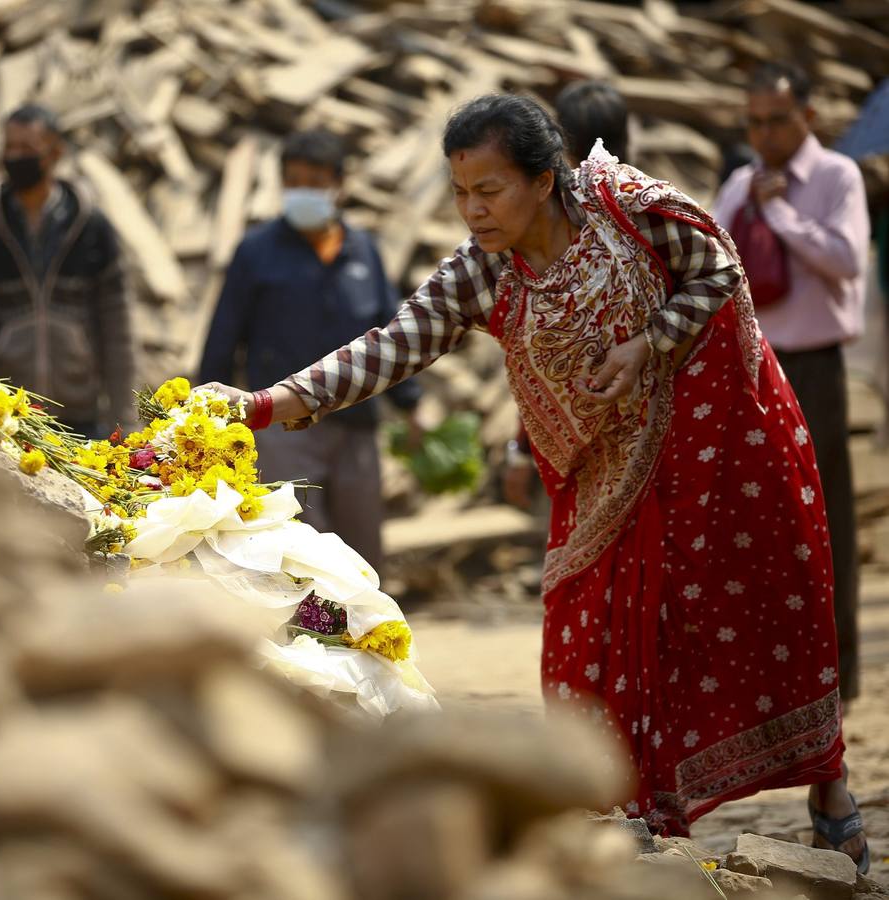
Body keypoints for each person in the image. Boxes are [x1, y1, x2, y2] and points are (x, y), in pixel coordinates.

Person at [203, 94, 871, 871]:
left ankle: (827, 785)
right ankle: (628, 822)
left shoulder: (626, 209)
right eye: (459, 192)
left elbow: (717, 268)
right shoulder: (481, 272)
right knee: (585, 648)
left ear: (544, 181)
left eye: (488, 191)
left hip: (713, 446)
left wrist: (648, 345)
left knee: (757, 611)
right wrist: (260, 405)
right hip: (601, 482)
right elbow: (392, 346)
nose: (471, 210)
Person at [712, 63, 870, 710]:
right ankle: (771, 678)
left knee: (827, 520)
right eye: (754, 122)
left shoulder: (837, 176)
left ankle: (843, 676)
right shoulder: (738, 184)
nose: (766, 134)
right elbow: (712, 257)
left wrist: (779, 215)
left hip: (815, 368)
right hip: (753, 370)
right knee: (756, 524)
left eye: (777, 119)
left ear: (807, 116)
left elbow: (847, 259)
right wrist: (752, 202)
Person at [197, 129, 423, 571]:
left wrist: (411, 406)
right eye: (294, 180)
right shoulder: (256, 252)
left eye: (315, 181)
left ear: (339, 184)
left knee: (361, 552)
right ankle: (309, 637)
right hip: (283, 428)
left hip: (356, 425)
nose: (303, 191)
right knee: (300, 549)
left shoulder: (363, 252)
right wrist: (210, 410)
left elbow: (390, 338)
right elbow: (224, 333)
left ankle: (366, 636)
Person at [0, 104, 135, 438]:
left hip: (80, 413)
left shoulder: (91, 227)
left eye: (27, 149)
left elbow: (116, 326)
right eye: (9, 147)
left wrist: (125, 416)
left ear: (54, 154)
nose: (15, 157)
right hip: (5, 412)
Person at [503, 80, 631, 510]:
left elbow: (548, 356)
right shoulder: (654, 215)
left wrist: (522, 450)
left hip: (584, 446)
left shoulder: (563, 231)